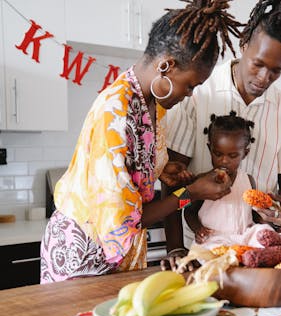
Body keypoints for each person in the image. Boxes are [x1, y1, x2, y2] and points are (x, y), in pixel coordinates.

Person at [39, 0, 242, 284]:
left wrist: (163, 169)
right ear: (166, 66)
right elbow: (128, 220)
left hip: (120, 255)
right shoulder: (116, 114)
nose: (190, 95)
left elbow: (135, 168)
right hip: (83, 258)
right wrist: (190, 193)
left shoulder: (155, 104)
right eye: (191, 85)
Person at [162, 0, 281, 269]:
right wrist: (175, 248)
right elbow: (172, 182)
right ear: (243, 45)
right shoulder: (197, 92)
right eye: (258, 64)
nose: (264, 78)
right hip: (203, 252)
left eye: (276, 70)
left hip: (255, 250)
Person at [184, 112, 278, 250]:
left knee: (263, 233)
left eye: (233, 156)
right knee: (208, 248)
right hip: (214, 239)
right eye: (218, 154)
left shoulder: (248, 180)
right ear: (210, 149)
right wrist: (198, 229)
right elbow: (187, 211)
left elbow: (254, 214)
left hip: (244, 239)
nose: (224, 161)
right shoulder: (202, 181)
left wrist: (272, 229)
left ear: (245, 153)